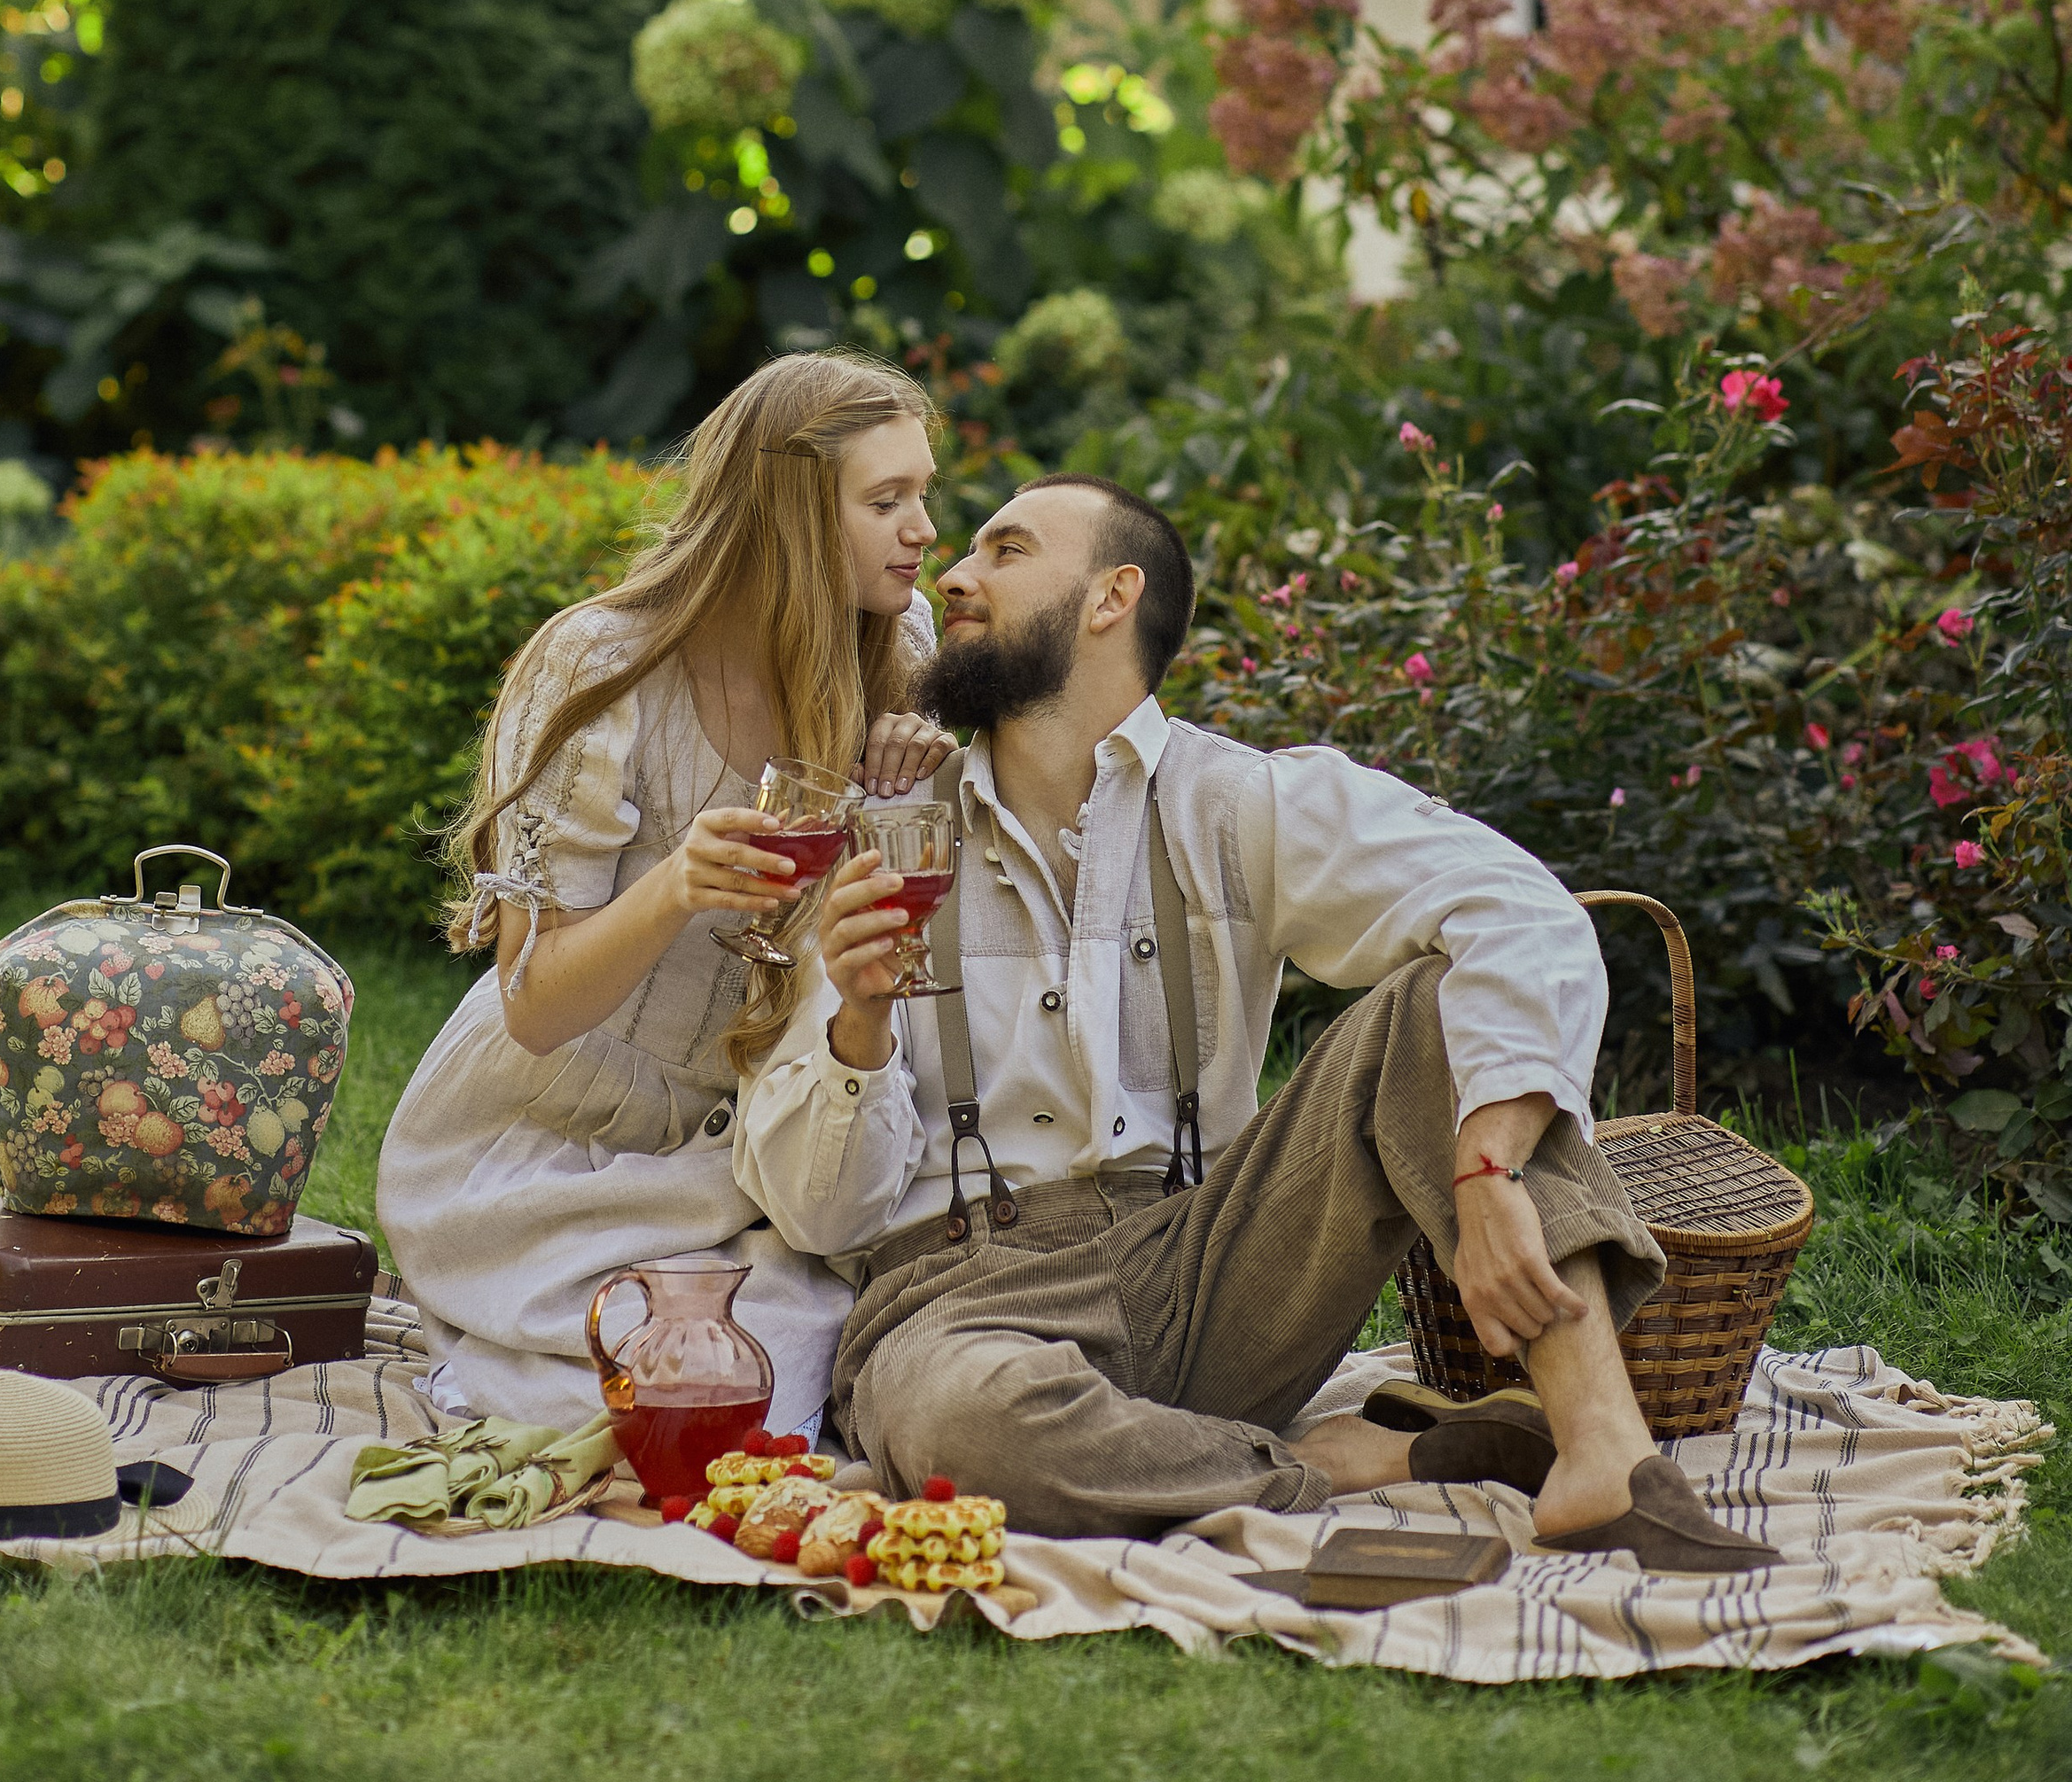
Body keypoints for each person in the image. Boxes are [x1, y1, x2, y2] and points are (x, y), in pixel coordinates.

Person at [735, 473, 1781, 1568]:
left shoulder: (1235, 803)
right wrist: (860, 1025)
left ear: (1111, 597)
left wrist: (1488, 1165)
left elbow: (1521, 910)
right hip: (961, 1301)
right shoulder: (881, 841)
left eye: (1006, 550)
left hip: (1211, 1267)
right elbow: (820, 1216)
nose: (952, 574)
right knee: (969, 1430)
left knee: (1442, 1004)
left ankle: (1604, 1456)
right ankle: (1350, 1463)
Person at [376, 352, 952, 1436]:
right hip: (557, 1141)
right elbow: (534, 1007)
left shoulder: (895, 641)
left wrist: (921, 755)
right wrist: (674, 887)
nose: (924, 529)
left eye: (922, 492)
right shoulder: (603, 667)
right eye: (885, 501)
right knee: (643, 1398)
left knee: (774, 1383)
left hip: (754, 1143)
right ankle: (495, 1354)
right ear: (786, 515)